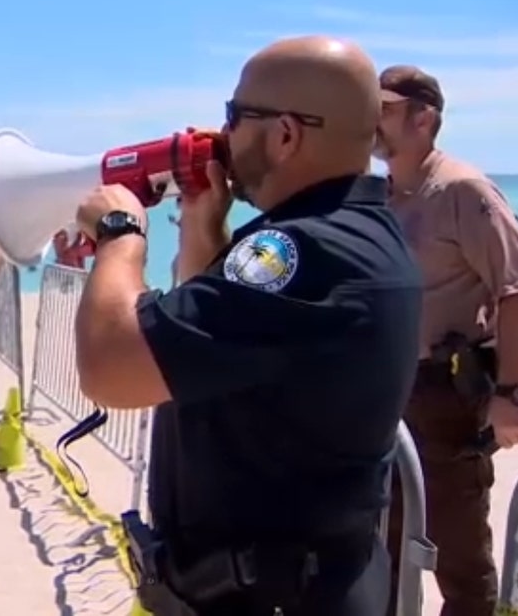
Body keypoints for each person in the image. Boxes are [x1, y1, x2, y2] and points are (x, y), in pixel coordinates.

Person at [70, 36, 420, 615]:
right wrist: (205, 228)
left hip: (270, 597)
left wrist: (117, 231)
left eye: (235, 115)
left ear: (286, 134)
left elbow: (110, 367)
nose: (224, 134)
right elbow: (217, 338)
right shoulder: (351, 234)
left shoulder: (306, 254)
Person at [377, 64, 518, 616]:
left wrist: (510, 394)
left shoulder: (463, 190)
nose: (373, 123)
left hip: (447, 395)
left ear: (423, 118)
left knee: (458, 549)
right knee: (382, 539)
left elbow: (513, 290)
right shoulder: (383, 195)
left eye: (385, 111)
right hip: (389, 391)